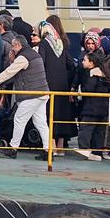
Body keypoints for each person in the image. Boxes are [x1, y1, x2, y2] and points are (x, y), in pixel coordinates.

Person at [0, 33, 49, 159]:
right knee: (40, 122)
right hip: (43, 92)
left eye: (13, 46)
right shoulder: (34, 54)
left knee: (19, 119)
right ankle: (47, 150)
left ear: (18, 45)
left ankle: (13, 148)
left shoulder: (23, 57)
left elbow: (9, 72)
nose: (12, 49)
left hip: (31, 94)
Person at [38, 18, 77, 151]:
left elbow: (41, 63)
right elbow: (70, 63)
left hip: (48, 84)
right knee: (61, 114)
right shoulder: (61, 43)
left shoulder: (44, 43)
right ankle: (60, 147)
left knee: (49, 114)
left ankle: (52, 146)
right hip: (62, 84)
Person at [74, 50, 110, 160]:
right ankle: (97, 153)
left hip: (91, 107)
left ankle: (84, 149)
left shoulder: (92, 75)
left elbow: (88, 89)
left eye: (85, 60)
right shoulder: (104, 74)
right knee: (99, 131)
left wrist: (80, 89)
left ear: (91, 63)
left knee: (85, 129)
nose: (83, 62)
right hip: (103, 108)